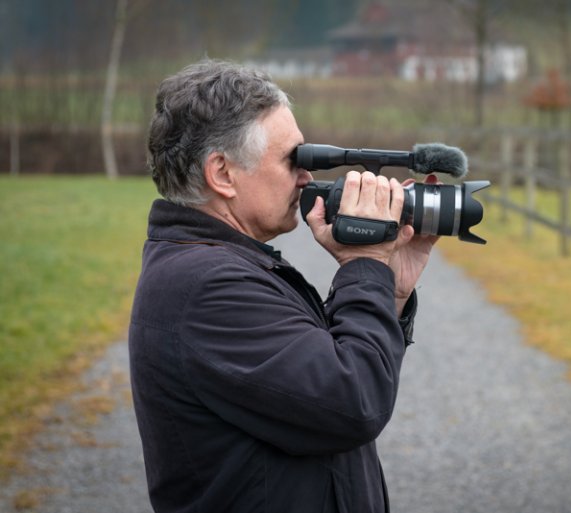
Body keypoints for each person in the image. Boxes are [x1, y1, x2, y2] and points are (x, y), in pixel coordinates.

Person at [129, 59, 439, 513]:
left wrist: (387, 287)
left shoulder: (214, 265)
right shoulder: (206, 288)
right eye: (291, 159)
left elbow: (318, 380)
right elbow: (352, 403)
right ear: (222, 174)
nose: (307, 177)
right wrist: (366, 261)